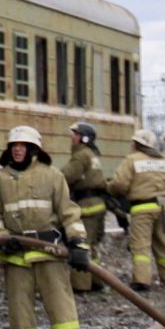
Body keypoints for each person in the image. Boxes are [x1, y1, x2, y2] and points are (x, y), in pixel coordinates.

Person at [0, 125, 91, 329]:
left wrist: (78, 241)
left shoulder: (52, 176)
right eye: (14, 146)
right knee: (20, 314)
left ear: (33, 149)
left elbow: (69, 212)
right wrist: (1, 236)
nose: (17, 150)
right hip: (16, 255)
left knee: (61, 306)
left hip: (49, 252)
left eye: (23, 146)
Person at [110, 130, 165, 289]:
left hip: (141, 208)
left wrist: (113, 191)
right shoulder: (164, 159)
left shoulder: (132, 160)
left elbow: (119, 184)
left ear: (136, 144)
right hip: (161, 208)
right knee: (164, 244)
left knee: (140, 245)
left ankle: (142, 280)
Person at [61, 120, 110, 294]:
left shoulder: (81, 155)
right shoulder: (92, 154)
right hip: (97, 206)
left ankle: (81, 284)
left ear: (85, 139)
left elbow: (66, 176)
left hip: (86, 207)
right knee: (93, 245)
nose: (72, 138)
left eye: (76, 134)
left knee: (81, 244)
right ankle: (96, 280)